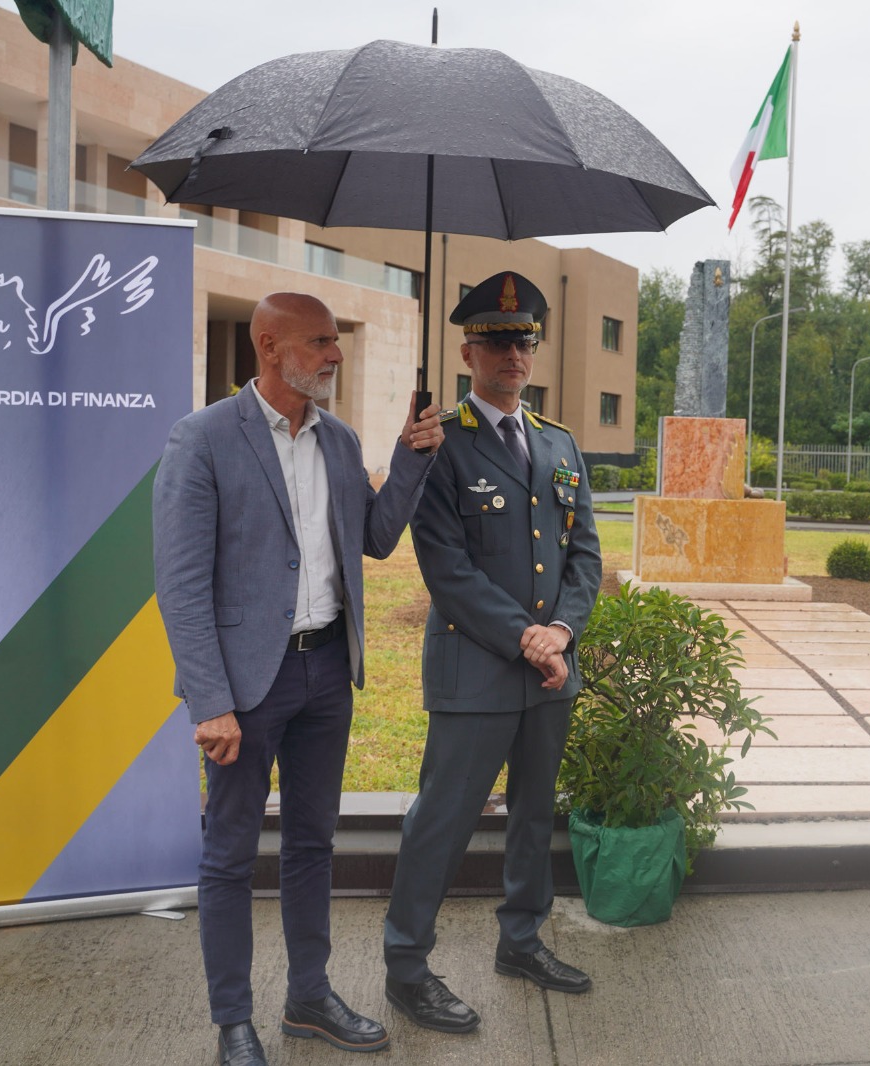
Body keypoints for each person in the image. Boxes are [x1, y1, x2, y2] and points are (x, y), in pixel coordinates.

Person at [153, 292, 444, 1066]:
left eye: (336, 341)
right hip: (246, 689)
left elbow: (376, 540)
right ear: (268, 345)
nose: (335, 355)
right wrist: (209, 701)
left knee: (313, 843)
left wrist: (412, 456)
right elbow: (180, 585)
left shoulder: (340, 443)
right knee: (230, 853)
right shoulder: (205, 438)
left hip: (325, 675)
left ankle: (308, 998)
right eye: (319, 342)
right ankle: (232, 1021)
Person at [382, 272, 602, 1034]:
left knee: (533, 818)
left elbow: (586, 559)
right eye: (499, 340)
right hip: (477, 672)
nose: (515, 353)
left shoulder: (560, 443)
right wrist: (526, 636)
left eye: (525, 340)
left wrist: (563, 634)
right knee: (440, 822)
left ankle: (521, 940)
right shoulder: (438, 443)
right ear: (468, 350)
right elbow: (445, 568)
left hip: (550, 675)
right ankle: (407, 966)